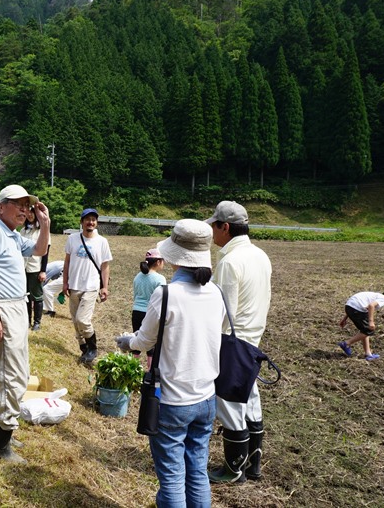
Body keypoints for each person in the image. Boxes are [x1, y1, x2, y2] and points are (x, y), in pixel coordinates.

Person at [115, 219, 224, 507]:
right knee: (197, 470)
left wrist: (126, 341)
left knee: (173, 476)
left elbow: (143, 342)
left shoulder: (166, 294)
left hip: (173, 399)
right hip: (207, 397)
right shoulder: (217, 293)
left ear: (175, 256)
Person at [0, 184, 50, 463]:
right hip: (3, 308)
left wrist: (45, 223)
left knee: (7, 372)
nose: (24, 209)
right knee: (14, 376)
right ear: (1, 206)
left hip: (16, 306)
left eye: (27, 206)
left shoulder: (12, 235)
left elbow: (39, 251)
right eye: (18, 204)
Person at [204, 201, 272, 484]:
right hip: (253, 340)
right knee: (251, 400)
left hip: (232, 342)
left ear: (225, 227)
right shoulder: (260, 255)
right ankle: (253, 467)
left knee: (230, 404)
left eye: (214, 226)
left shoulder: (230, 261)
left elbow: (224, 311)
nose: (212, 232)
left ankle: (233, 470)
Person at [62, 208, 112, 365]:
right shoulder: (72, 238)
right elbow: (67, 261)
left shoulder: (102, 241)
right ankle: (84, 350)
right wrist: (65, 282)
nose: (91, 222)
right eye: (87, 219)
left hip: (91, 286)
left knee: (82, 319)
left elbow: (105, 266)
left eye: (93, 219)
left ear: (96, 223)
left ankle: (93, 347)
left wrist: (105, 287)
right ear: (82, 222)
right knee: (76, 322)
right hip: (74, 285)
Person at [338, 288, 384, 360]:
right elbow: (371, 306)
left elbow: (353, 305)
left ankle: (368, 354)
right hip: (357, 309)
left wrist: (345, 318)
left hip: (349, 306)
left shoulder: (376, 296)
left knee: (365, 331)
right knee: (369, 330)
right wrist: (371, 321)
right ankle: (346, 343)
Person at [132, 249, 166, 362]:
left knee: (136, 340)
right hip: (150, 313)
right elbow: (162, 299)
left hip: (136, 311)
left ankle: (132, 365)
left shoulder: (137, 277)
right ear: (157, 262)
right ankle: (150, 369)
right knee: (151, 343)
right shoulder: (160, 279)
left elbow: (135, 295)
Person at [22, 206, 50, 331]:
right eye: (27, 213)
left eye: (32, 213)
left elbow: (45, 253)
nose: (30, 215)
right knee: (25, 296)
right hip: (23, 268)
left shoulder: (43, 231)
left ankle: (37, 322)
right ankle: (26, 321)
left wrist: (43, 270)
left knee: (37, 296)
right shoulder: (23, 231)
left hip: (35, 268)